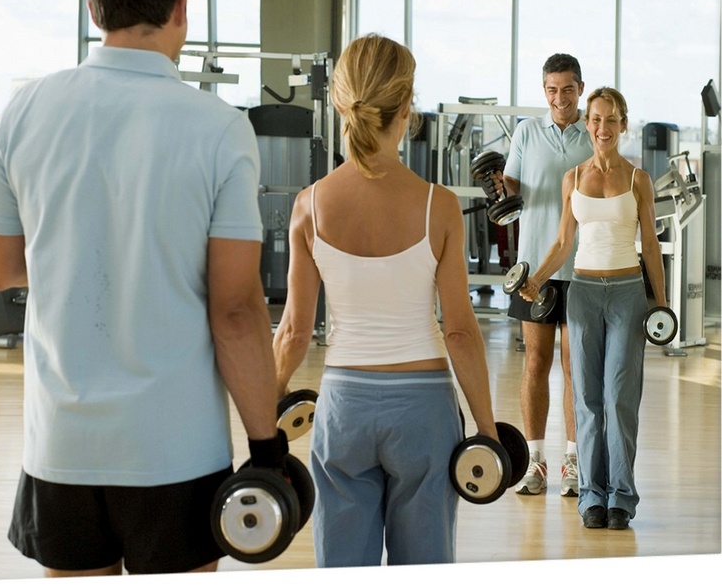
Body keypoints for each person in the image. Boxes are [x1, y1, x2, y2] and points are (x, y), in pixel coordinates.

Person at [0, 0, 284, 577]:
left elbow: (0, 267)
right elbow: (235, 311)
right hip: (173, 451)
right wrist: (266, 443)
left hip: (61, 444)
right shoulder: (218, 127)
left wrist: (75, 257)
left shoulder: (24, 110)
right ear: (182, 8)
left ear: (95, 9)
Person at [273, 33, 499, 566]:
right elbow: (460, 332)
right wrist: (488, 431)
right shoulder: (438, 207)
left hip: (343, 410)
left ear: (341, 104)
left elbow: (293, 333)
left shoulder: (310, 206)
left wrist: (265, 419)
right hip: (423, 413)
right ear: (406, 110)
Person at [518, 87, 667, 530]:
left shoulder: (638, 179)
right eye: (596, 119)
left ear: (624, 124)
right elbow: (564, 242)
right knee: (586, 398)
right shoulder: (574, 177)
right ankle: (591, 496)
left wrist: (660, 304)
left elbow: (652, 247)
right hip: (582, 292)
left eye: (612, 120)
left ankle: (621, 495)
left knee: (620, 398)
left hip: (626, 293)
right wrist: (538, 279)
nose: (603, 128)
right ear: (589, 123)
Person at [503, 53, 593, 496]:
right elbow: (512, 186)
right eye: (552, 90)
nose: (560, 98)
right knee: (535, 362)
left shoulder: (593, 134)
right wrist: (500, 187)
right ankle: (535, 463)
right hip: (532, 268)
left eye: (568, 89)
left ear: (580, 88)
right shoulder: (525, 132)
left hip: (581, 268)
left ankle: (573, 465)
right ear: (544, 91)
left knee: (575, 368)